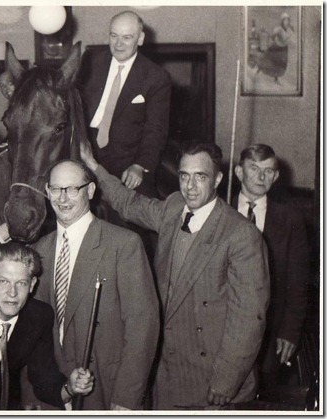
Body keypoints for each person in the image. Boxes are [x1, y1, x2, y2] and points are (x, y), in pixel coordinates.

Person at [80, 140, 270, 409]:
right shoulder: (173, 208)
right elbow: (128, 203)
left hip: (214, 382)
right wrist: (93, 166)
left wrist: (226, 381)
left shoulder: (241, 234)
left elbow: (249, 318)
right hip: (169, 375)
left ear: (217, 179)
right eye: (184, 176)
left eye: (200, 177)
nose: (190, 186)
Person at [32, 159, 160, 410]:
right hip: (55, 393)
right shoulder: (39, 250)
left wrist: (126, 398)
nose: (63, 198)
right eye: (56, 189)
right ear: (47, 191)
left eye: (73, 189)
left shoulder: (123, 244)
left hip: (105, 390)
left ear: (90, 191)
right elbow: (33, 333)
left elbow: (142, 327)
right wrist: (32, 395)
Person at [0, 242, 94, 410]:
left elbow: (44, 379)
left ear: (32, 285)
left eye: (21, 283)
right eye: (3, 281)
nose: (12, 292)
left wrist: (71, 387)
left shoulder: (38, 316)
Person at [233, 144, 308, 389]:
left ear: (275, 177)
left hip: (270, 334)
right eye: (254, 169)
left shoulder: (291, 219)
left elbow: (298, 283)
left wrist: (290, 331)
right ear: (239, 172)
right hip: (225, 329)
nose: (261, 176)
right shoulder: (220, 211)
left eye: (268, 171)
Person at [81, 10, 171, 199]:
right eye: (114, 36)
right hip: (85, 151)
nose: (118, 44)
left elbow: (156, 129)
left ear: (140, 39)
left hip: (128, 161)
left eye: (126, 37)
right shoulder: (90, 61)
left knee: (139, 210)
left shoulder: (156, 76)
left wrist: (139, 165)